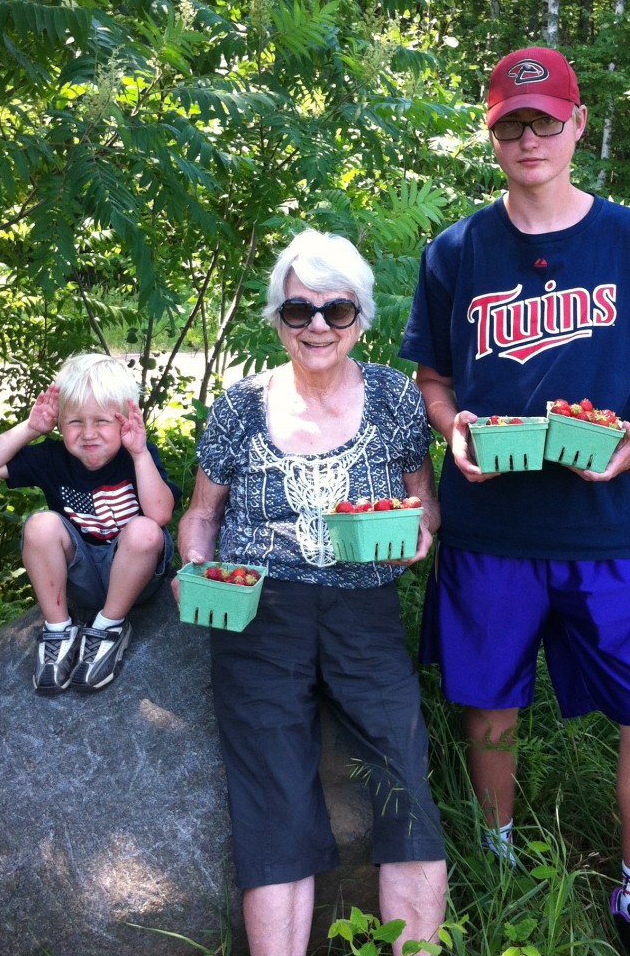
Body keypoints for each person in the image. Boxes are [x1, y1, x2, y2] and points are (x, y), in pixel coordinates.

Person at [399, 46, 630, 956]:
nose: (529, 137)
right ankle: (494, 855)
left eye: (545, 120)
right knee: (490, 707)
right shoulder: (456, 250)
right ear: (492, 134)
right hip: (491, 526)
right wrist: (452, 432)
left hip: (606, 527)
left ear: (575, 125)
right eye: (510, 123)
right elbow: (433, 378)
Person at [175, 228, 448, 956]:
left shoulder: (394, 398)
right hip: (258, 608)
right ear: (278, 318)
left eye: (337, 310)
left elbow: (423, 500)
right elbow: (201, 516)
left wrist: (420, 531)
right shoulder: (240, 406)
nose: (318, 326)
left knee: (403, 777)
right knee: (272, 794)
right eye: (300, 312)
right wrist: (198, 569)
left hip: (365, 604)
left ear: (361, 316)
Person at [0, 352, 179, 694]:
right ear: (59, 424)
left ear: (125, 422)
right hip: (79, 576)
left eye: (102, 421)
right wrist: (30, 428)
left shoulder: (136, 455)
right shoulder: (53, 457)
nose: (88, 433)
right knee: (40, 525)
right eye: (75, 422)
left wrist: (141, 454)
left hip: (132, 575)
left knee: (144, 529)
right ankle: (59, 630)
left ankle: (109, 627)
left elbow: (160, 516)